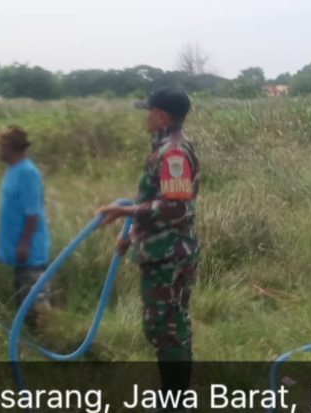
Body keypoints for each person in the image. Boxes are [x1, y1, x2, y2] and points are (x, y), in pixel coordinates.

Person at [96, 85, 200, 405]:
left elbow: (175, 208)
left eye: (149, 111)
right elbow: (161, 205)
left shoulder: (172, 152)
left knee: (167, 329)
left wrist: (123, 212)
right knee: (166, 326)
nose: (146, 116)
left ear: (161, 115)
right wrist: (132, 235)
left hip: (169, 257)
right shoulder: (167, 148)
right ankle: (174, 398)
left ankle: (175, 402)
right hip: (163, 250)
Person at [0, 125, 51, 326]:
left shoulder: (28, 173)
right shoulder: (12, 171)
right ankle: (27, 346)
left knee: (36, 307)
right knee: (22, 305)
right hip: (19, 255)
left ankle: (46, 343)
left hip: (30, 254)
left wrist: (25, 243)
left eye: (2, 146)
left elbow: (32, 212)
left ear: (12, 148)